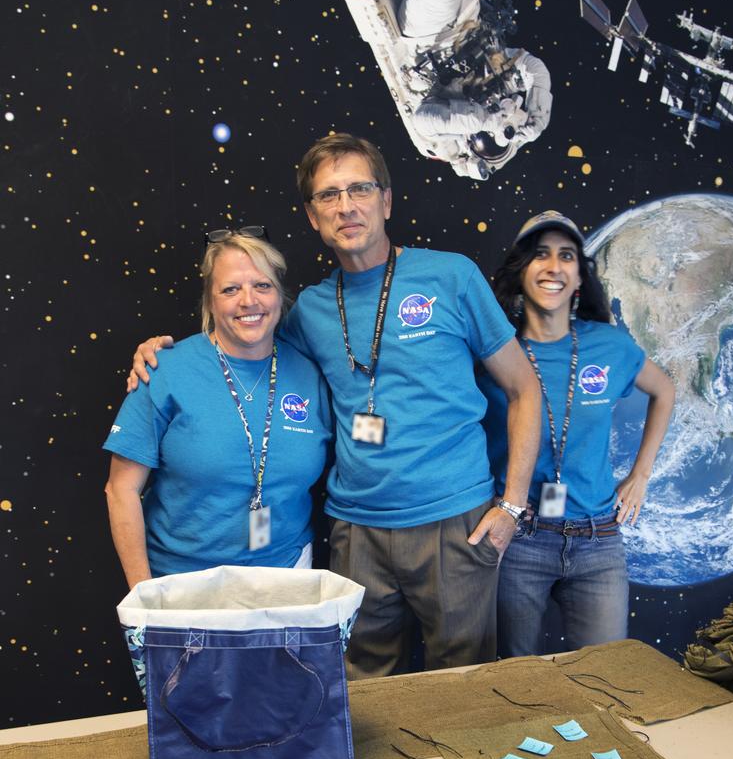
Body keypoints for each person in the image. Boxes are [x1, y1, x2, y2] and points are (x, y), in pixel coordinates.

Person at [128, 135, 541, 677]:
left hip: (454, 522)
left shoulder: (452, 277)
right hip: (355, 531)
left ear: (386, 201)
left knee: (463, 682)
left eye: (359, 189)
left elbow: (523, 389)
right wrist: (162, 353)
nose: (346, 206)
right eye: (329, 196)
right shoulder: (310, 311)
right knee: (356, 689)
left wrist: (512, 505)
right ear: (312, 216)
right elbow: (242, 337)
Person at [479, 210, 675, 657]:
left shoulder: (609, 345)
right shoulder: (493, 351)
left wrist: (641, 475)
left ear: (580, 278)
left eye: (566, 256)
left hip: (597, 541)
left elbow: (664, 390)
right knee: (515, 679)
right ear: (520, 272)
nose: (554, 267)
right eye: (540, 255)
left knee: (604, 678)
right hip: (520, 538)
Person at [105, 230, 332, 587]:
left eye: (262, 286)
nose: (248, 301)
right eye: (230, 289)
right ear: (210, 302)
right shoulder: (165, 372)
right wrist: (143, 594)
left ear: (280, 296)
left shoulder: (310, 374)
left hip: (287, 577)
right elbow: (121, 490)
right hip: (184, 583)